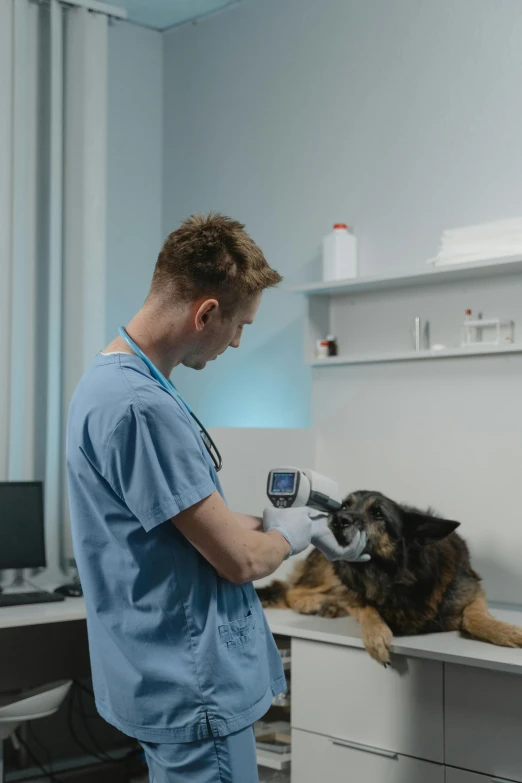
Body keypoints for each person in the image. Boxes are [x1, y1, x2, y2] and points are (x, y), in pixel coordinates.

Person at [66, 213, 369, 783]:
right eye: (240, 326)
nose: (236, 341)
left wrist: (275, 520)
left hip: (156, 674)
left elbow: (183, 520)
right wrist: (296, 534)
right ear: (206, 312)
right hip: (192, 682)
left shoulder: (110, 382)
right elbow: (241, 561)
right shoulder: (141, 407)